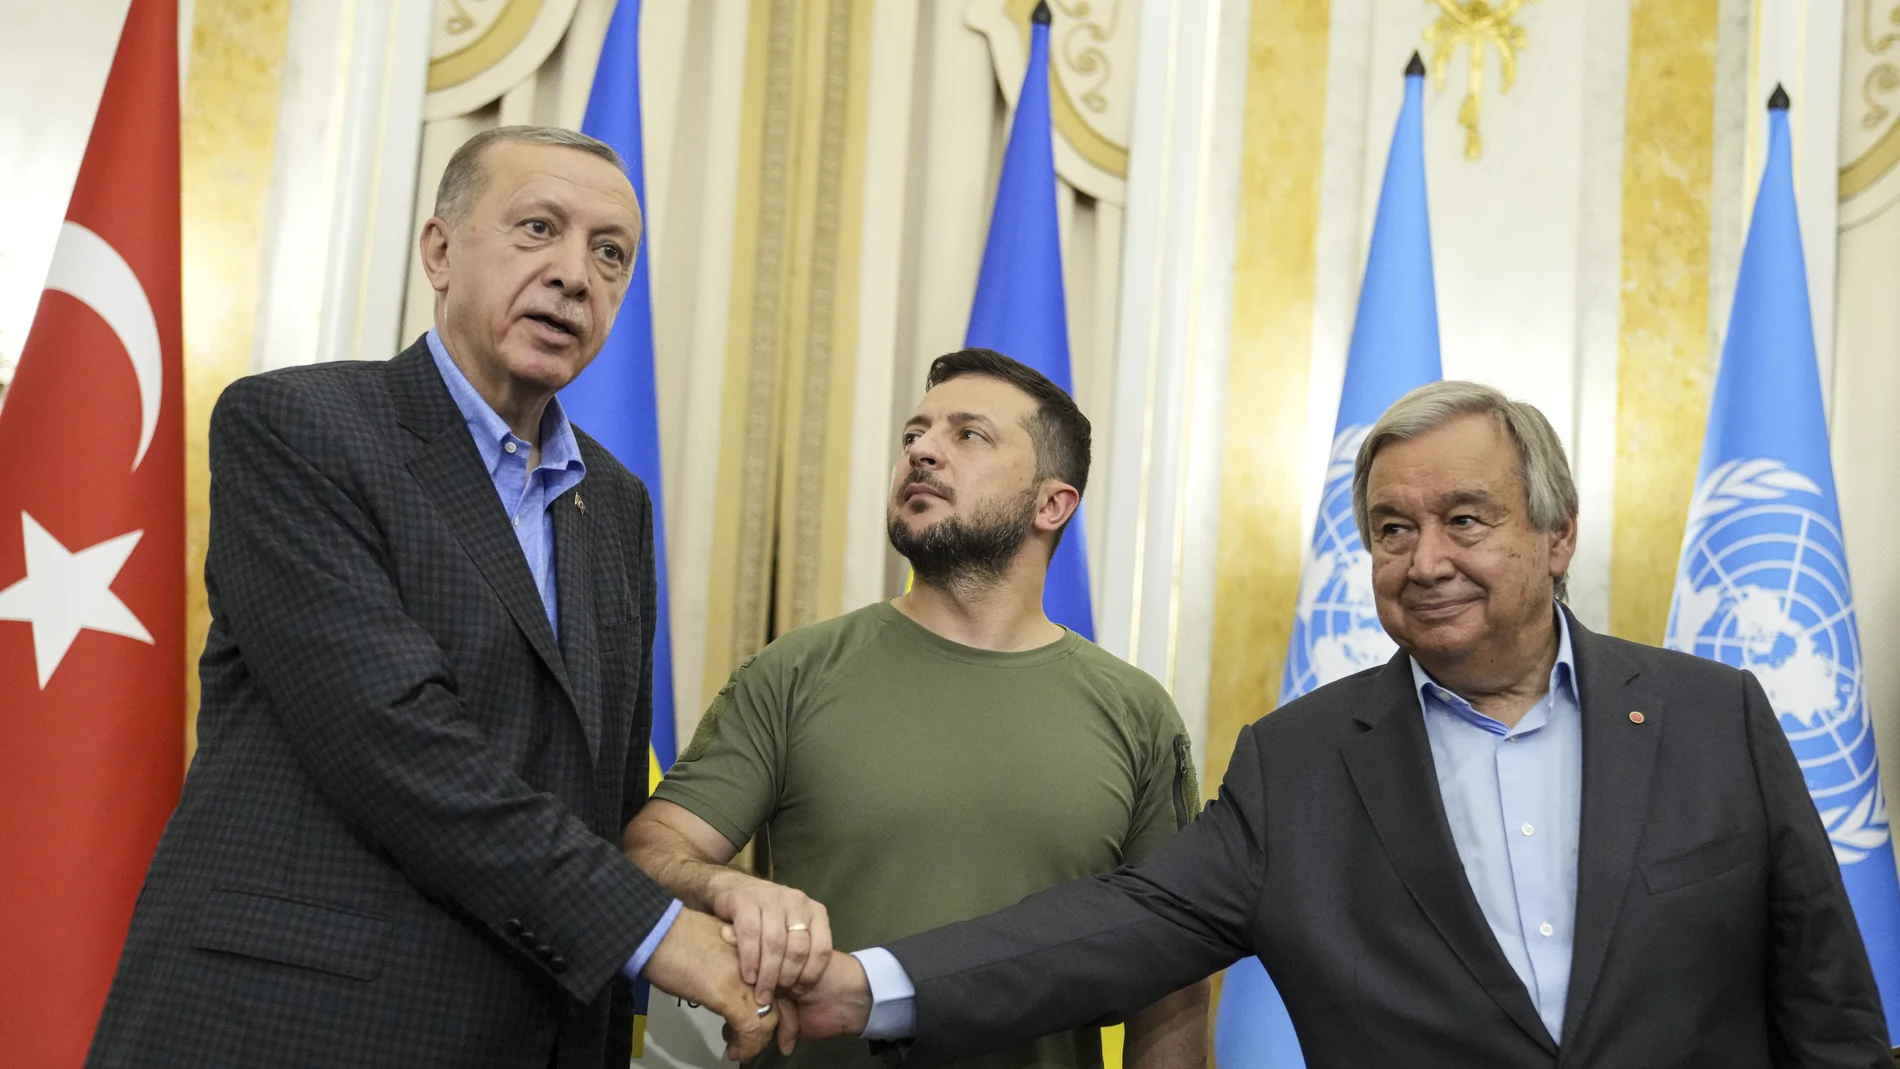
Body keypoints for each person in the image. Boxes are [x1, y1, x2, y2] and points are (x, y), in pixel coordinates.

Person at [788, 380, 1891, 1068]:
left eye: (1467, 519)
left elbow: (1828, 1008)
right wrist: (867, 984)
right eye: (1390, 529)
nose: (1426, 561)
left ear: (1556, 536)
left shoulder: (1712, 718)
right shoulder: (1300, 765)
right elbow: (1111, 928)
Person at [89, 127, 778, 1068]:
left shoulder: (615, 503)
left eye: (610, 253)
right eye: (540, 228)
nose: (576, 274)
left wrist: (704, 899)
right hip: (295, 1026)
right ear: (440, 251)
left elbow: (603, 790)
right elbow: (394, 739)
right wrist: (658, 933)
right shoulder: (297, 427)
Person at [627, 348, 1208, 1069]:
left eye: (968, 435)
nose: (922, 451)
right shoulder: (796, 671)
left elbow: (1172, 980)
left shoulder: (1138, 714)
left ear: (1052, 503)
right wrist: (726, 884)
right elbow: (647, 854)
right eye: (914, 435)